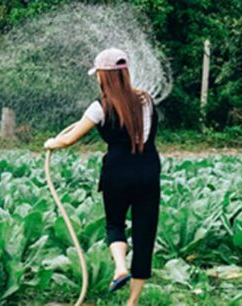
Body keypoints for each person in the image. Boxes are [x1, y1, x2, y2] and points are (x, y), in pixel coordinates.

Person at [44, 47, 161, 306]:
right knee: (144, 234)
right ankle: (132, 302)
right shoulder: (147, 100)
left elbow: (69, 140)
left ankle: (120, 267)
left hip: (118, 173)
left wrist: (51, 143)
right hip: (148, 171)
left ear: (104, 77)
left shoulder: (100, 106)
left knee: (115, 224)